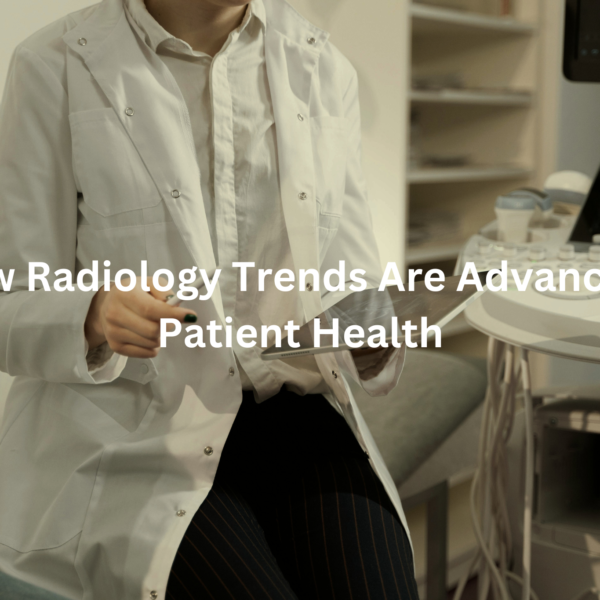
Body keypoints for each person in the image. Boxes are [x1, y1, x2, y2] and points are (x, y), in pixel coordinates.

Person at [0, 0, 419, 598]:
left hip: (291, 409)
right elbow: (11, 299)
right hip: (139, 427)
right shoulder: (53, 64)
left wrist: (368, 336)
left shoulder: (323, 69)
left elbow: (348, 277)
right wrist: (90, 315)